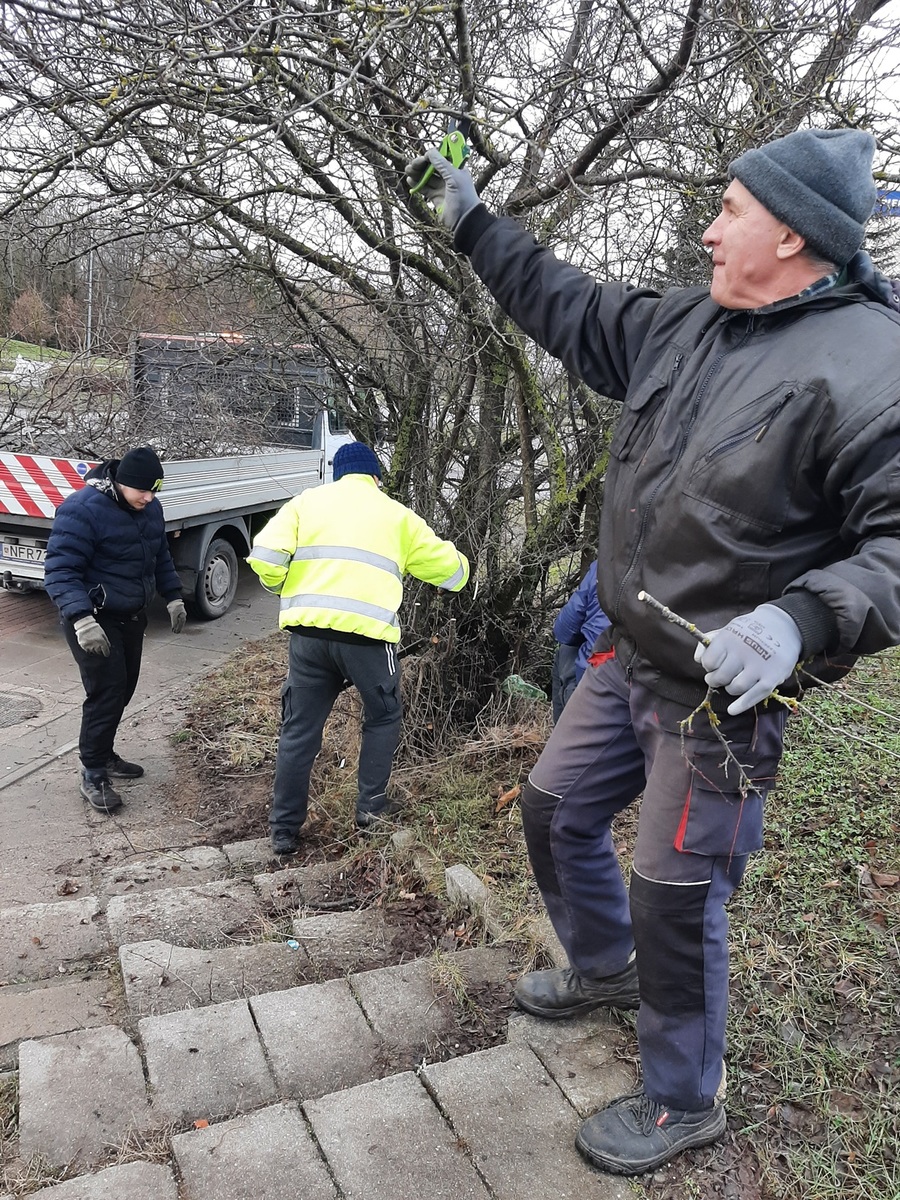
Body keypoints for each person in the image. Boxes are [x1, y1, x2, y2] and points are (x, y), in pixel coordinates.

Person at [406, 129, 900, 1174]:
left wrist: (801, 622)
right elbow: (569, 304)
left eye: (732, 209)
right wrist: (473, 224)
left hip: (722, 701)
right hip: (629, 656)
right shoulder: (689, 320)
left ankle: (684, 1098)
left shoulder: (870, 366)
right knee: (553, 810)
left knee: (676, 894)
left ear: (796, 233)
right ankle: (603, 970)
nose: (710, 227)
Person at [246, 441, 469, 855]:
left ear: (337, 475)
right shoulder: (396, 515)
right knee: (383, 717)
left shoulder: (305, 503)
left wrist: (281, 586)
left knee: (299, 730)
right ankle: (370, 811)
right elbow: (453, 574)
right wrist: (463, 562)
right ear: (376, 477)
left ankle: (283, 830)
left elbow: (264, 556)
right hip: (368, 641)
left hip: (308, 637)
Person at [44, 446, 187, 813]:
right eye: (143, 490)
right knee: (106, 692)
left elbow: (160, 556)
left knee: (124, 688)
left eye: (155, 490)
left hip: (130, 615)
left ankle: (103, 753)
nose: (150, 497)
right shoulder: (82, 509)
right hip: (94, 618)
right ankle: (92, 771)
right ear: (120, 482)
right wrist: (81, 619)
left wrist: (173, 596)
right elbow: (61, 571)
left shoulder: (150, 507)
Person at [551, 561, 610, 722]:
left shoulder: (606, 565)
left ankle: (563, 739)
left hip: (601, 685)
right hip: (656, 686)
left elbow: (563, 631)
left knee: (565, 651)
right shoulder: (679, 570)